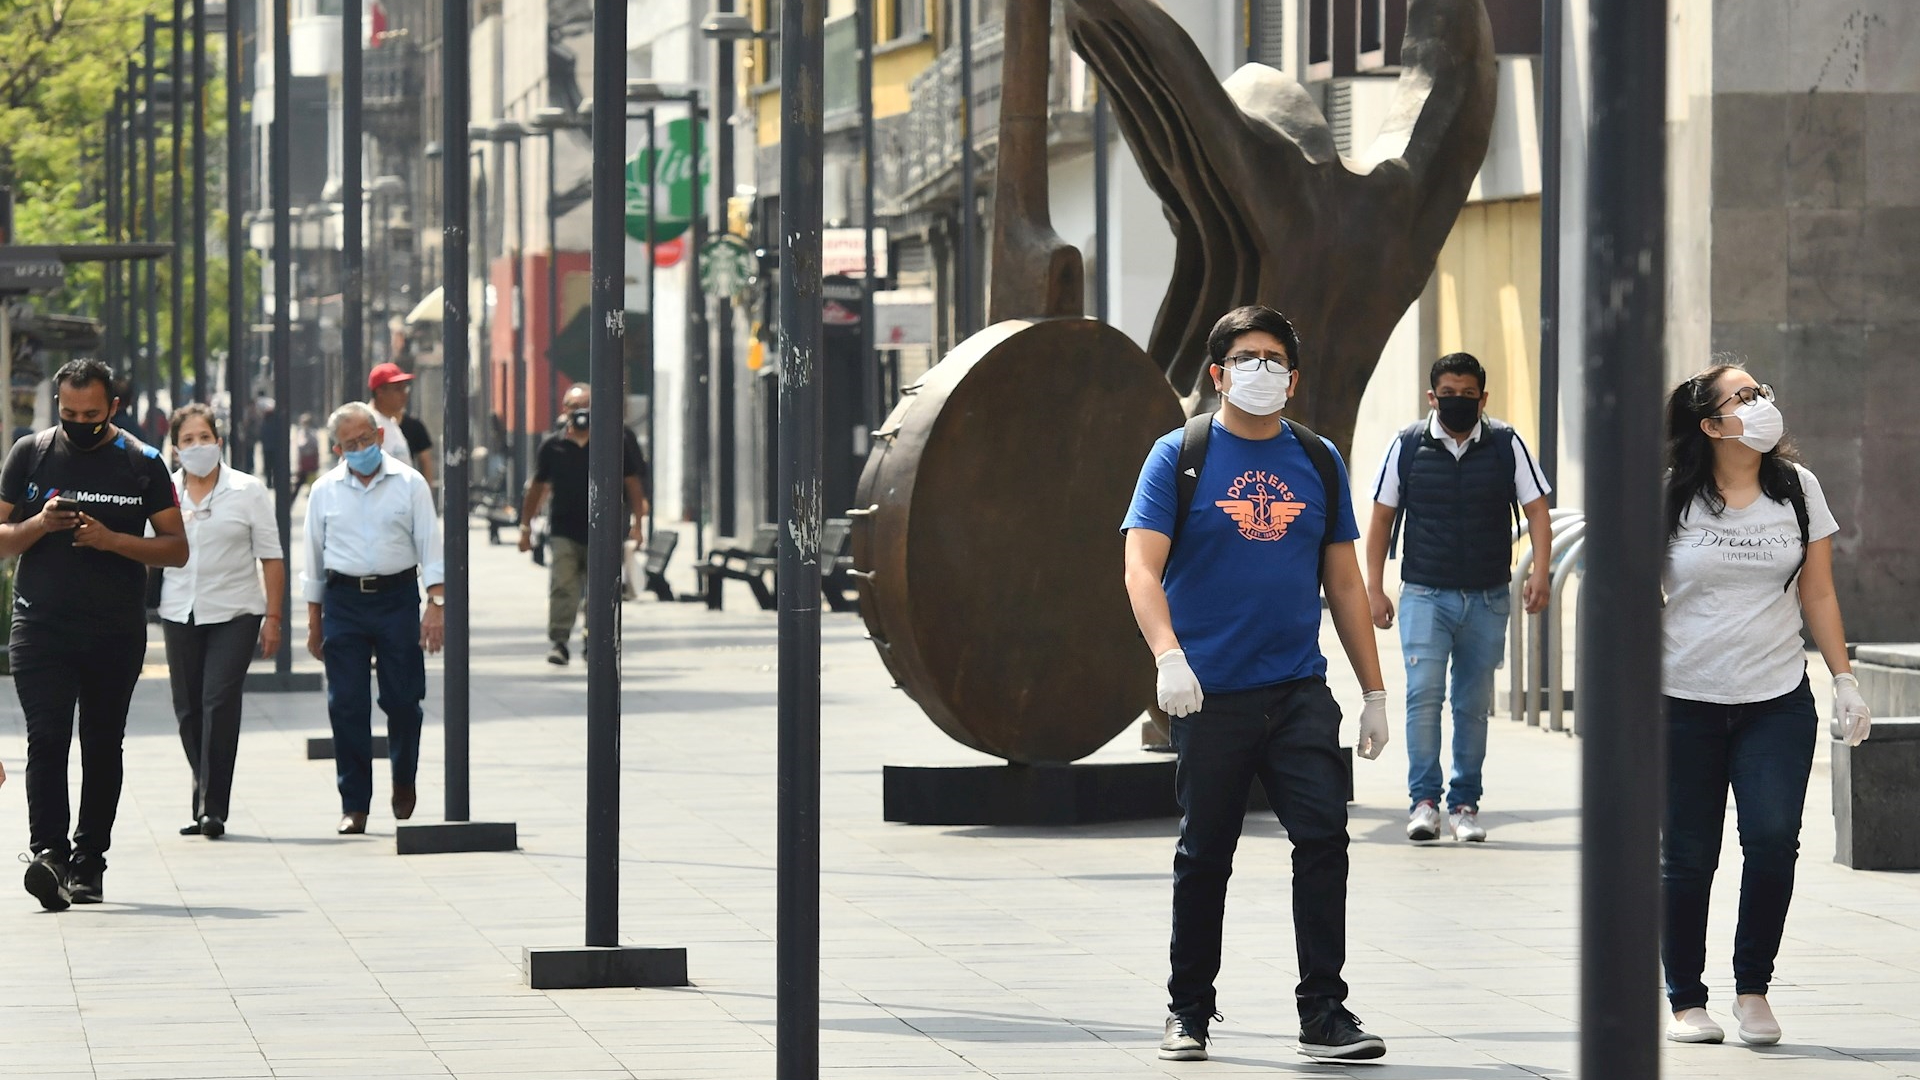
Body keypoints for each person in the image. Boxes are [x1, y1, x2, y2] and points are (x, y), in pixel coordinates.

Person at [1122, 306, 1392, 1063]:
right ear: (1217, 373)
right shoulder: (1180, 454)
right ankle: (1189, 1010)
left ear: (1294, 378)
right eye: (1248, 357)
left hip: (1298, 690)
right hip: (1209, 694)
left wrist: (1372, 693)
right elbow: (1141, 567)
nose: (1263, 370)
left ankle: (1324, 1014)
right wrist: (1167, 656)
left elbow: (1342, 582)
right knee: (1206, 852)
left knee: (1324, 839)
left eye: (1276, 359)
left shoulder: (1317, 458)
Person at [1659, 362, 1869, 1048]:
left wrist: (1845, 679)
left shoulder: (1798, 490)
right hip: (1683, 701)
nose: (1762, 402)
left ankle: (1753, 990)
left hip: (1775, 700)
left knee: (1775, 842)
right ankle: (1687, 998)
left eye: (1762, 392)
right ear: (1712, 424)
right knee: (1689, 855)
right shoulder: (1670, 498)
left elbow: (1819, 593)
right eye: (1744, 396)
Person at [0, 358, 187, 910]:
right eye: (68, 412)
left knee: (102, 745)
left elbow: (176, 549)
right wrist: (38, 526)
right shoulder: (29, 453)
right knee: (48, 738)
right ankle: (48, 855)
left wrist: (111, 540)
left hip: (114, 629)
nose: (79, 421)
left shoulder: (141, 461)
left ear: (113, 408)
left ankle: (89, 860)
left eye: (91, 413)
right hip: (40, 627)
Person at [1362, 352, 1553, 843]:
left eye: (1469, 396)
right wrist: (1373, 586)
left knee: (1471, 704)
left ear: (1483, 398)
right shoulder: (1406, 445)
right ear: (1432, 397)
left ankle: (1464, 804)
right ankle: (1423, 802)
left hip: (1488, 596)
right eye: (1449, 395)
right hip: (1425, 593)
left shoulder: (1507, 443)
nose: (1459, 403)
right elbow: (1382, 517)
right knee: (1423, 697)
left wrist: (1541, 573)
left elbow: (1536, 510)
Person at [302, 402, 445, 835]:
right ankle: (355, 803)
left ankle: (404, 778)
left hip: (397, 597)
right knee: (346, 703)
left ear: (380, 437)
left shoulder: (410, 484)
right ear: (337, 448)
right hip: (344, 602)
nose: (360, 448)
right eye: (351, 444)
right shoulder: (325, 491)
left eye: (367, 439)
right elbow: (312, 559)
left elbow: (431, 547)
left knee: (402, 701)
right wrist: (314, 623)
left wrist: (434, 606)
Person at [159, 404, 287, 840]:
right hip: (179, 610)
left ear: (219, 441)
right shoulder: (163, 492)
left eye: (204, 437)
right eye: (187, 440)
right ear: (176, 449)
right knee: (188, 708)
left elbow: (271, 556)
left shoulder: (247, 490)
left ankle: (213, 807)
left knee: (218, 700)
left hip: (237, 611)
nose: (197, 446)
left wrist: (273, 617)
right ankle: (203, 794)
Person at [518, 384, 650, 665]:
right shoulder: (552, 446)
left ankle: (595, 640)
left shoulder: (614, 442)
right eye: (575, 406)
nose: (581, 412)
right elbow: (537, 488)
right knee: (563, 585)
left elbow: (633, 485)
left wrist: (639, 524)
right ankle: (560, 642)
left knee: (600, 589)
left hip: (604, 531)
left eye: (587, 405)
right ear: (564, 410)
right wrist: (526, 527)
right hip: (564, 529)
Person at [366, 362, 436, 485]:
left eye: (405, 388)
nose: (404, 394)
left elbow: (425, 461)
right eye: (398, 389)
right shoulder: (365, 424)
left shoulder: (392, 423)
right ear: (380, 392)